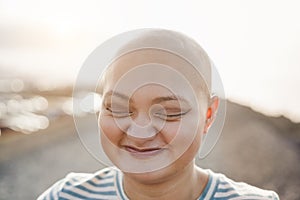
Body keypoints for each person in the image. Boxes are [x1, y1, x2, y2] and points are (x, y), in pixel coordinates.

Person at [38, 29, 279, 200]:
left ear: (208, 116)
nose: (140, 132)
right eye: (118, 108)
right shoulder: (66, 196)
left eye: (169, 112)